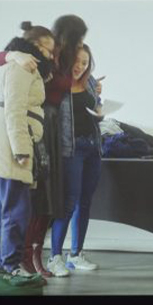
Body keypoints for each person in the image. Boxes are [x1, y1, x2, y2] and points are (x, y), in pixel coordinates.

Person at [0, 14, 95, 277]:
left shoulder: (60, 59)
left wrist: (92, 86)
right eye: (78, 38)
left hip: (46, 127)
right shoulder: (35, 57)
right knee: (24, 202)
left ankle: (23, 259)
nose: (80, 44)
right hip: (37, 128)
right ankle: (15, 261)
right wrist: (13, 55)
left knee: (39, 200)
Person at [0, 23, 54, 274]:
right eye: (47, 49)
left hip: (9, 143)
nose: (50, 55)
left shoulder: (22, 65)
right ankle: (11, 266)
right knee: (16, 209)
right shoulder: (22, 66)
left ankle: (5, 264)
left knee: (7, 206)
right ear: (34, 45)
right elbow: (14, 110)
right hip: (13, 145)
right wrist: (22, 150)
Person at [51, 44, 103, 271]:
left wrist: (100, 108)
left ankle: (75, 254)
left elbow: (96, 108)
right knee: (68, 202)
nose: (80, 66)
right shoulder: (56, 84)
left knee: (85, 201)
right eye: (76, 61)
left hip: (93, 147)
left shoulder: (90, 82)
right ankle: (54, 258)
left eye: (85, 62)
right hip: (70, 149)